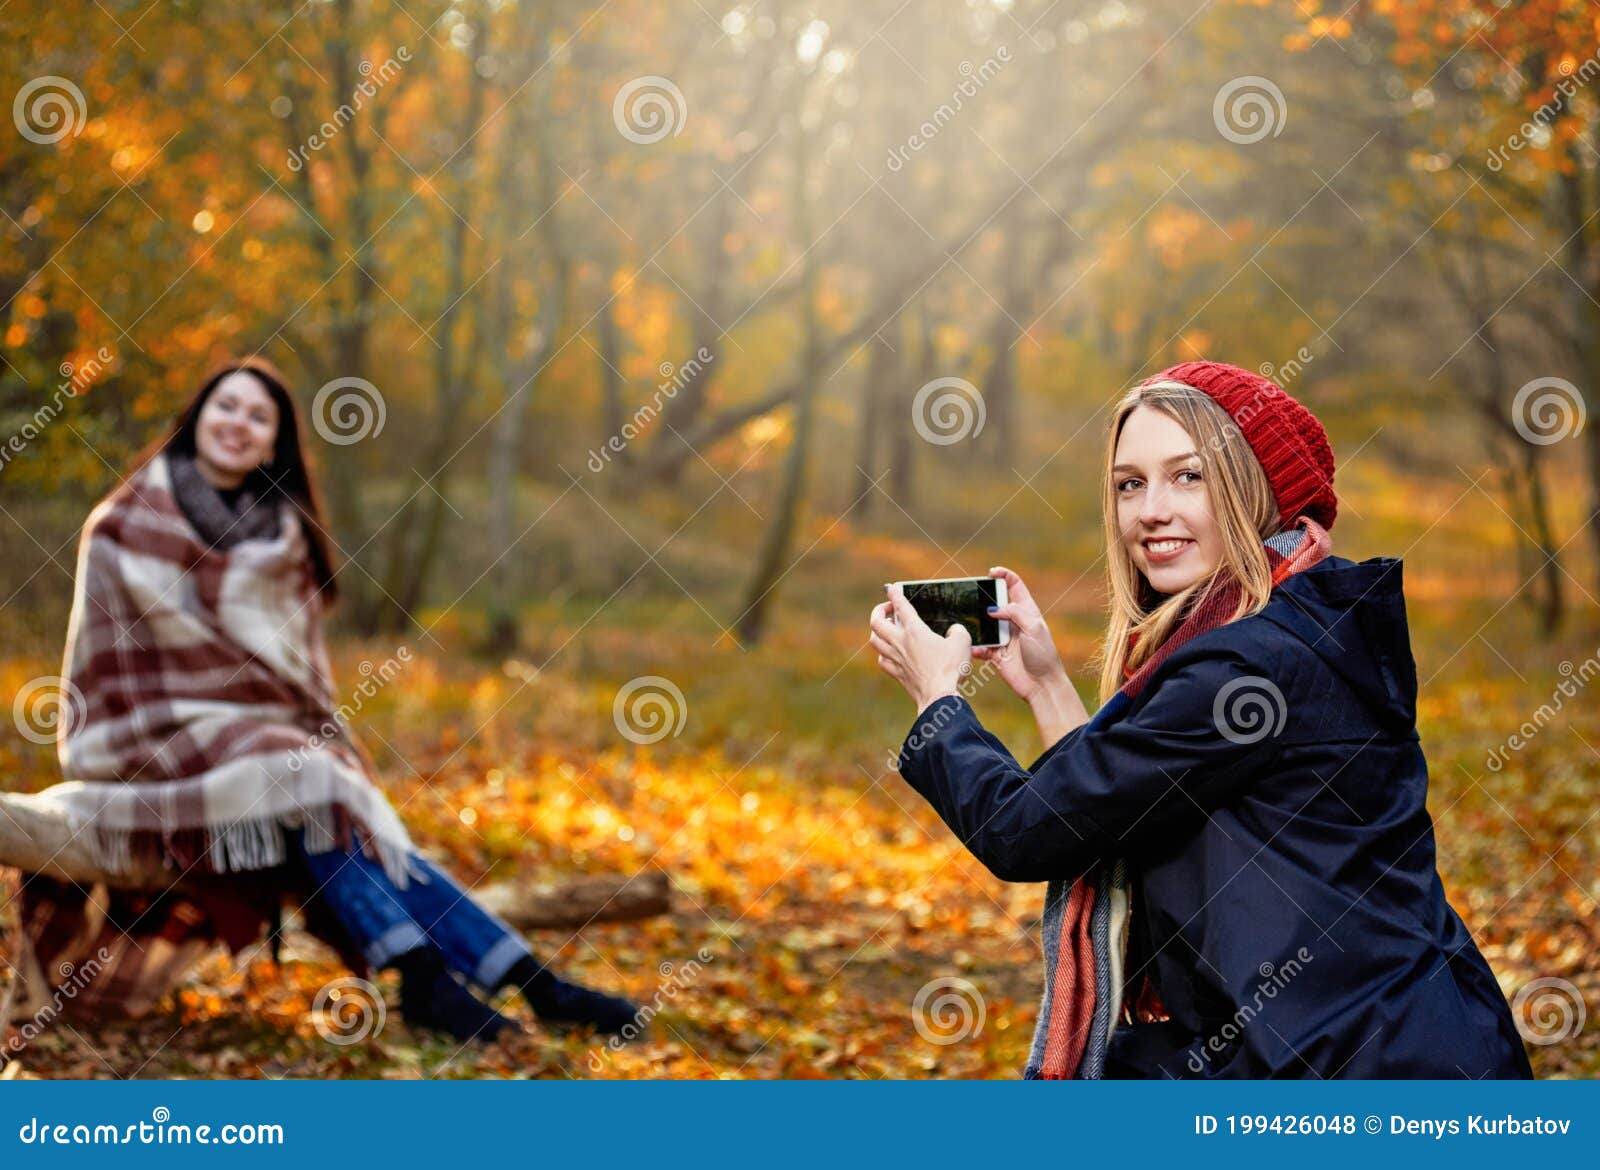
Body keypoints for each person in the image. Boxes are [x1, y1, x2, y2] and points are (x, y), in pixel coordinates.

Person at [869, 360, 1533, 1079]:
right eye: (1130, 484)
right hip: (1401, 1037)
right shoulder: (1306, 625)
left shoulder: (1243, 671)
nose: (1152, 509)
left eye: (1189, 477)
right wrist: (1049, 687)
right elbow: (1115, 806)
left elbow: (1026, 834)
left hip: (1347, 1072)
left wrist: (939, 701)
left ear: (1256, 491)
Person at [18, 357, 637, 1044]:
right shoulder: (122, 524)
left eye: (260, 417)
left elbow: (299, 678)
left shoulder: (285, 538)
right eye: (227, 407)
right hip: (152, 741)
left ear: (273, 442)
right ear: (196, 417)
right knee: (307, 776)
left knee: (318, 793)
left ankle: (490, 983)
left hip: (267, 760)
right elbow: (108, 662)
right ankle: (505, 982)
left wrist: (315, 746)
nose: (239, 424)